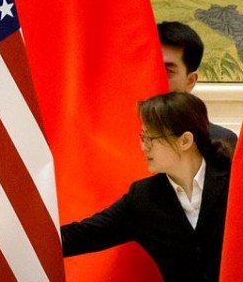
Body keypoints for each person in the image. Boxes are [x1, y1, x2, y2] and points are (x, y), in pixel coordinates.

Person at [61, 92, 233, 281]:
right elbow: (83, 235)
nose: (144, 147)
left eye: (151, 138)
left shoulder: (234, 182)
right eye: (143, 137)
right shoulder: (143, 198)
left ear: (185, 141)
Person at [158, 20, 238, 147]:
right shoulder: (118, 139)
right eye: (150, 68)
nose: (155, 78)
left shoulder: (219, 143)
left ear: (190, 80)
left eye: (166, 71)